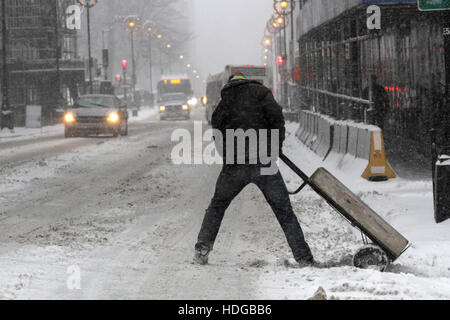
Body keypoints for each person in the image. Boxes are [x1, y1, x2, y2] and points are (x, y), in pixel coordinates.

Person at [193, 72, 317, 268]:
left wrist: (227, 154)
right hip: (264, 163)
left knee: (217, 206)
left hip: (235, 165)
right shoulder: (262, 93)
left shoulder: (225, 100)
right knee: (284, 211)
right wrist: (275, 147)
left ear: (230, 83)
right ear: (246, 80)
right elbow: (277, 120)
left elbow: (216, 130)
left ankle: (202, 250)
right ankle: (304, 257)